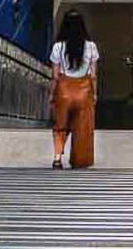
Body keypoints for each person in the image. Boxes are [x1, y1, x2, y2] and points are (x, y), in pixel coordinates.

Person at [49, 10, 99, 169]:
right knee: (81, 127)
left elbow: (55, 76)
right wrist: (94, 93)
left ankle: (57, 158)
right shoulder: (91, 47)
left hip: (64, 90)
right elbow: (93, 75)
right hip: (84, 91)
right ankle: (79, 159)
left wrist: (52, 94)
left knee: (60, 126)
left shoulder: (58, 47)